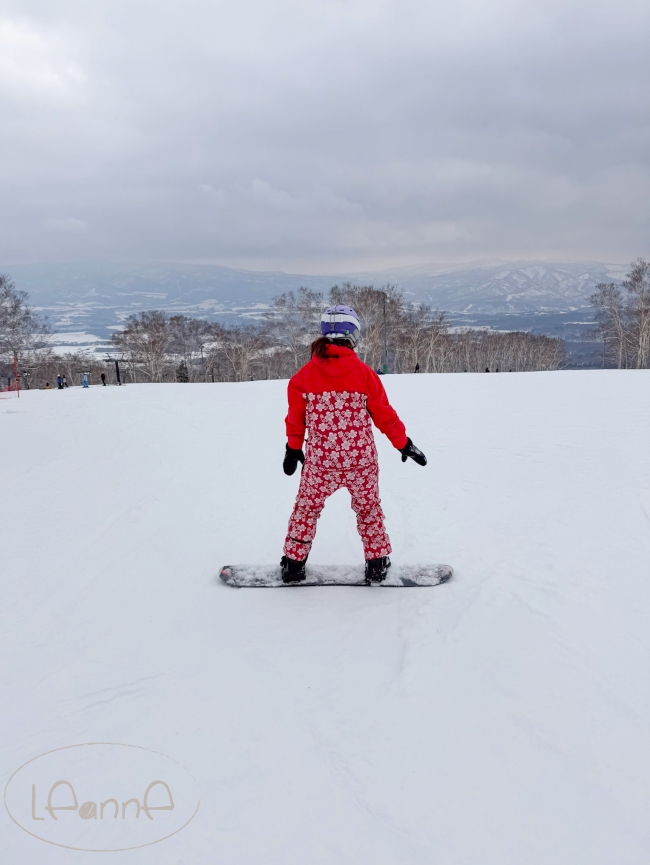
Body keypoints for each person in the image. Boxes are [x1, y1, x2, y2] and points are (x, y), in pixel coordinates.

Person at [281, 305, 427, 584]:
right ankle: (377, 563)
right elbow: (384, 415)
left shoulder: (302, 378)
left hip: (321, 464)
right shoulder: (364, 374)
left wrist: (293, 448)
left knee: (306, 509)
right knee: (368, 509)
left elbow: (296, 420)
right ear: (353, 335)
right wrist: (403, 443)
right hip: (361, 463)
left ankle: (293, 564)